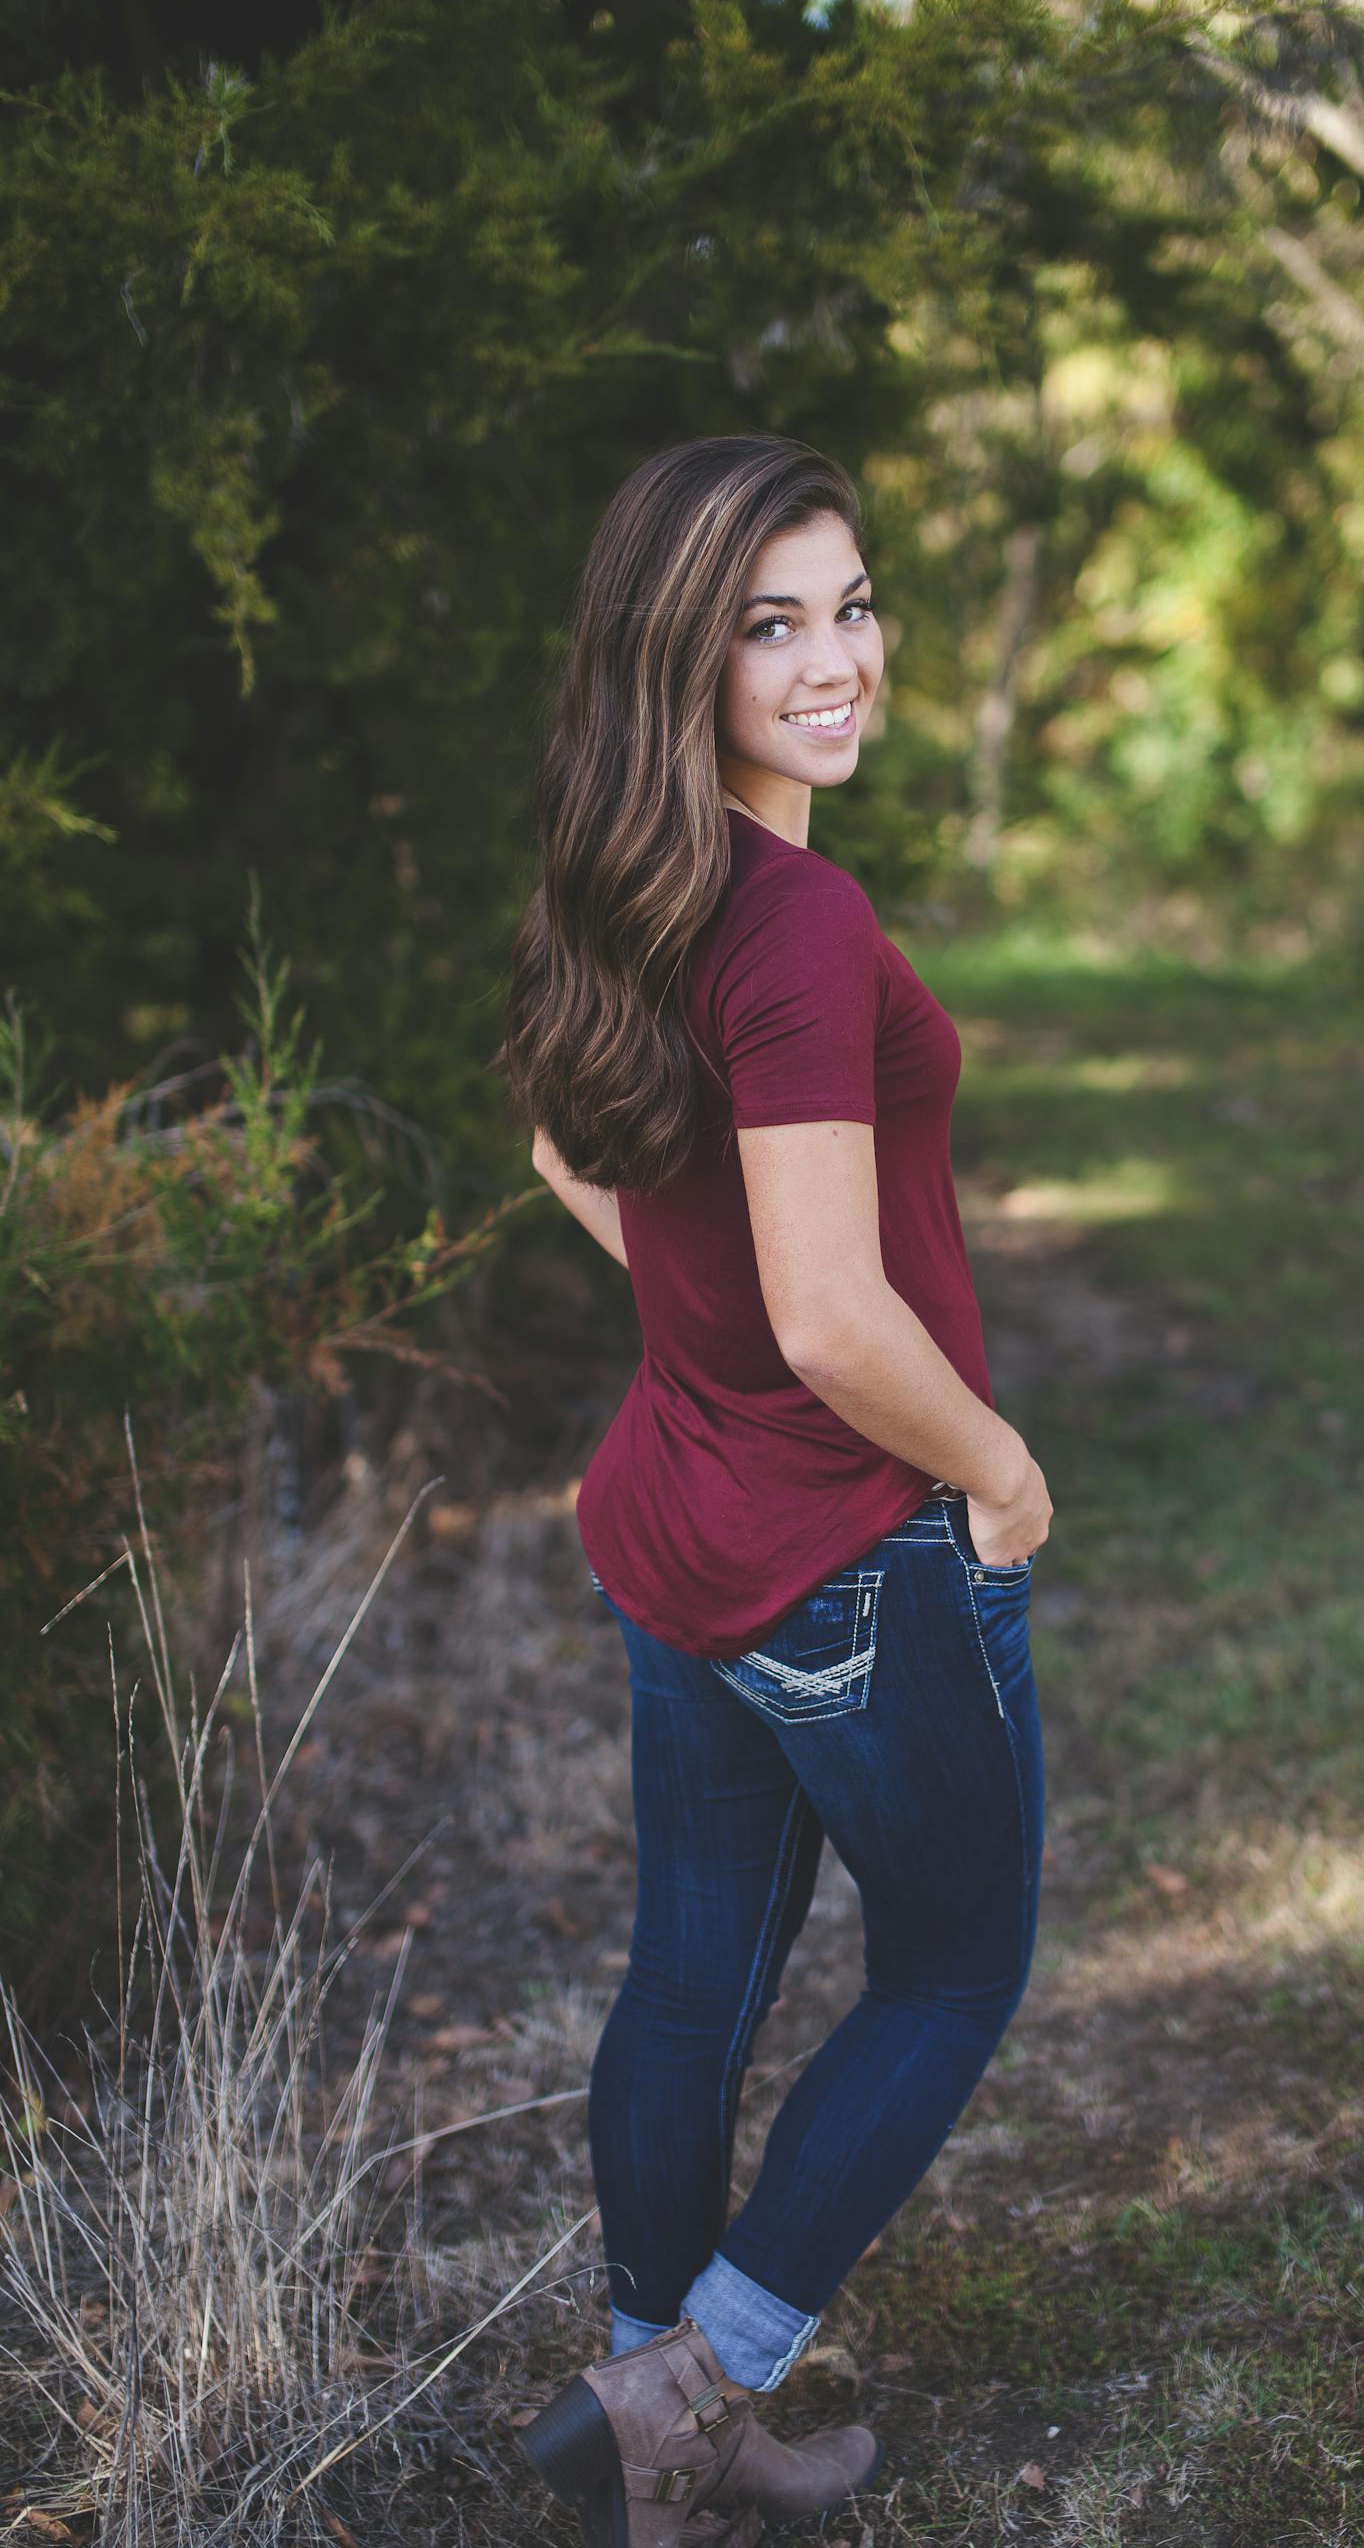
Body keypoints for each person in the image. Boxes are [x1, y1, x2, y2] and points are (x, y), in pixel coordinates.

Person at [497, 433, 1051, 2548]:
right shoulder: (795, 917)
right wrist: (994, 1467)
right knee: (948, 1970)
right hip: (839, 1551)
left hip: (672, 1529)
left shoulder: (622, 866)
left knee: (686, 1982)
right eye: (770, 622)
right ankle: (693, 2376)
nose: (835, 660)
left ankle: (661, 2419)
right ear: (682, 652)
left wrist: (702, 1322)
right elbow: (832, 1317)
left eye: (853, 604)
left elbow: (571, 1152)